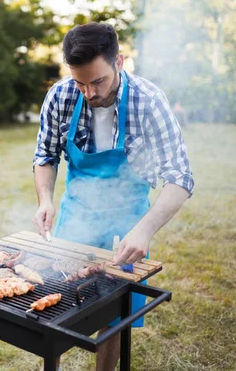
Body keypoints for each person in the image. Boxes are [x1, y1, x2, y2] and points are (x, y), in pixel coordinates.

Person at [32, 23, 194, 370]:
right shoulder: (61, 96)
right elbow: (45, 156)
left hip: (130, 222)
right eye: (80, 82)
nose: (89, 92)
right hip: (78, 214)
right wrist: (46, 200)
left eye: (98, 81)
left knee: (115, 316)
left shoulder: (149, 102)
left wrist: (145, 230)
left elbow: (180, 178)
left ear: (119, 62)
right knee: (58, 304)